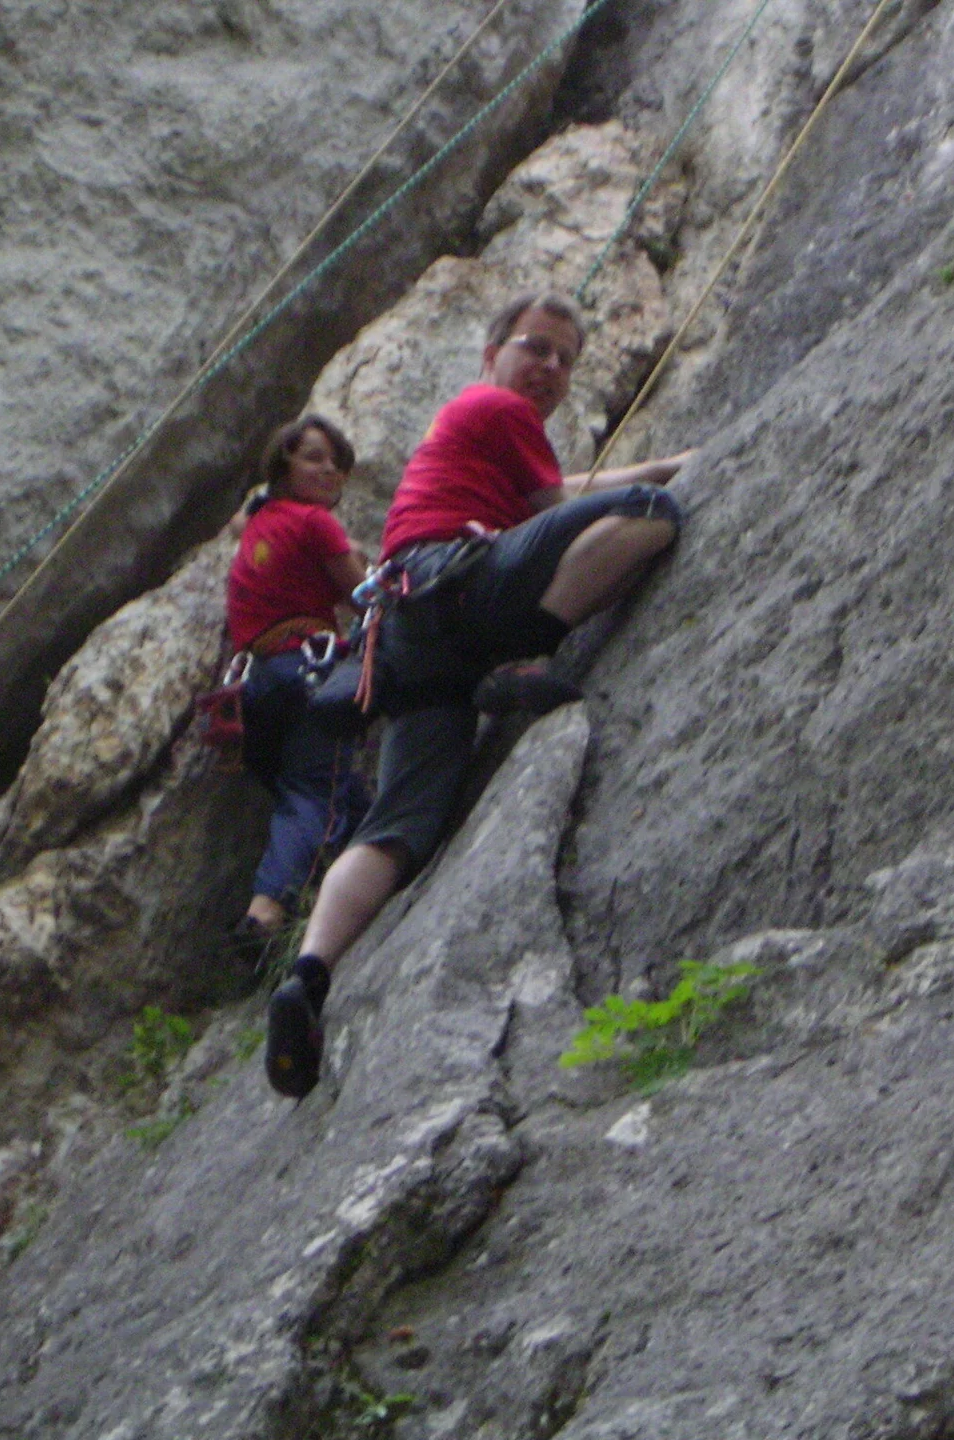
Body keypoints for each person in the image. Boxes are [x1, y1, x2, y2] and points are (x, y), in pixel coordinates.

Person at [265, 291, 692, 1098]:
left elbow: (558, 487)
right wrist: (669, 472)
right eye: (536, 347)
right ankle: (520, 658)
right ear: (490, 354)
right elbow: (566, 505)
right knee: (649, 512)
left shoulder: (481, 431)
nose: (551, 369)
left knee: (399, 829)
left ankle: (309, 976)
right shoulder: (494, 405)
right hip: (456, 588)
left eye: (564, 360)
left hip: (412, 639)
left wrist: (664, 458)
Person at [226, 415, 374, 963]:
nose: (329, 469)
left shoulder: (260, 522)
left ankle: (370, 882)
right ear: (283, 465)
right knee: (314, 792)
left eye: (337, 464)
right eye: (314, 457)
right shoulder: (315, 524)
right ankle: (265, 914)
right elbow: (365, 596)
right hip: (309, 671)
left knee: (344, 800)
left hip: (259, 684)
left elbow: (245, 518)